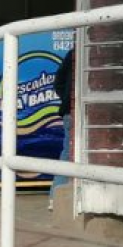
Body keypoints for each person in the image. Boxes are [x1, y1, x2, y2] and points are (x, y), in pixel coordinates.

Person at [49, 46, 75, 211]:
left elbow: (58, 82)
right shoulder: (78, 53)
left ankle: (54, 198)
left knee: (66, 154)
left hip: (68, 111)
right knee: (67, 154)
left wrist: (66, 99)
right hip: (75, 111)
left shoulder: (72, 54)